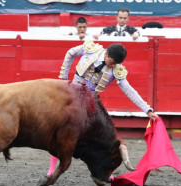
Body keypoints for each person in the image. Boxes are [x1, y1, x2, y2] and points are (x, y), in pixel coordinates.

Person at [47, 41, 158, 175]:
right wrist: (63, 79)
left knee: (100, 136)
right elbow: (70, 53)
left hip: (90, 102)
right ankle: (51, 169)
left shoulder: (117, 70)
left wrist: (148, 110)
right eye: (111, 62)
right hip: (71, 95)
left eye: (115, 64)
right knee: (61, 129)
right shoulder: (91, 49)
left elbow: (129, 90)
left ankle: (105, 172)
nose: (113, 66)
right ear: (106, 54)